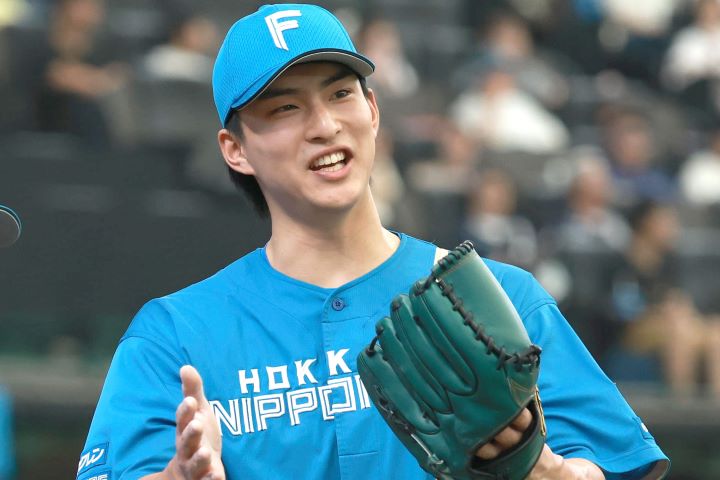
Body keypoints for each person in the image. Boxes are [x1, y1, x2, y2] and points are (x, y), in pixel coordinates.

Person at [78, 4, 669, 480]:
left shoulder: (500, 300)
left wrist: (541, 468)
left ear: (373, 110)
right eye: (285, 108)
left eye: (340, 94)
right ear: (235, 150)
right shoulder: (175, 336)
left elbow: (606, 463)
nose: (324, 125)